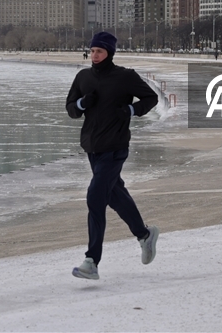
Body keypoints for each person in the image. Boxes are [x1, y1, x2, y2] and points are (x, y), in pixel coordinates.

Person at [65, 31, 159, 280]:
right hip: (92, 149)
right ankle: (145, 235)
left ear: (109, 53)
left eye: (99, 51)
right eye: (92, 51)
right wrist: (83, 104)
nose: (94, 55)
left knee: (95, 196)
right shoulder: (83, 77)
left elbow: (151, 98)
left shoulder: (124, 77)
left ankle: (91, 261)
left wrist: (131, 109)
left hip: (116, 148)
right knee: (115, 196)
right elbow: (71, 109)